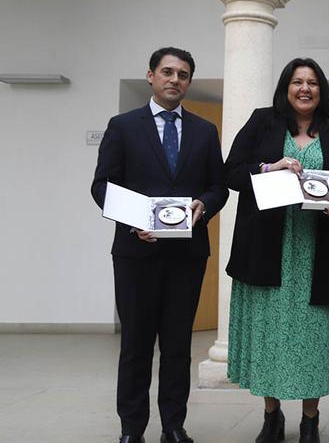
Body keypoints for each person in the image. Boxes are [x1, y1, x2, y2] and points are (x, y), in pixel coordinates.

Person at [91, 47, 228, 443]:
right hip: (136, 253)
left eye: (183, 74)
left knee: (177, 347)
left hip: (186, 255)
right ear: (151, 76)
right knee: (135, 345)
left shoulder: (205, 130)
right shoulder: (123, 126)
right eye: (167, 72)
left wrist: (205, 205)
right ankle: (132, 429)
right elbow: (102, 185)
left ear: (188, 82)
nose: (175, 80)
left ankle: (173, 426)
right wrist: (134, 221)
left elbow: (218, 186)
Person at [224, 58, 329, 443]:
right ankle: (271, 416)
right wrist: (269, 168)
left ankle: (310, 420)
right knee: (269, 336)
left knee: (313, 338)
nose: (305, 89)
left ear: (322, 90)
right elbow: (231, 172)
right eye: (298, 82)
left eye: (313, 83)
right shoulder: (262, 121)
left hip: (319, 250)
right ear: (286, 87)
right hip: (267, 249)